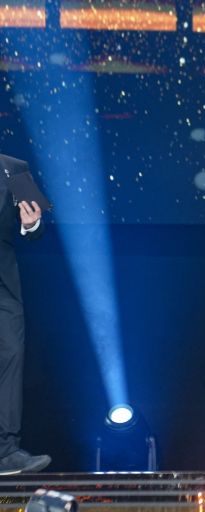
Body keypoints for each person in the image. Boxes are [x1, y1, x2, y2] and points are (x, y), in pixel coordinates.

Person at [0, 153, 50, 475]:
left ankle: (5, 452)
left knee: (12, 353)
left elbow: (34, 231)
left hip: (2, 282)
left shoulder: (13, 168)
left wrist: (31, 223)